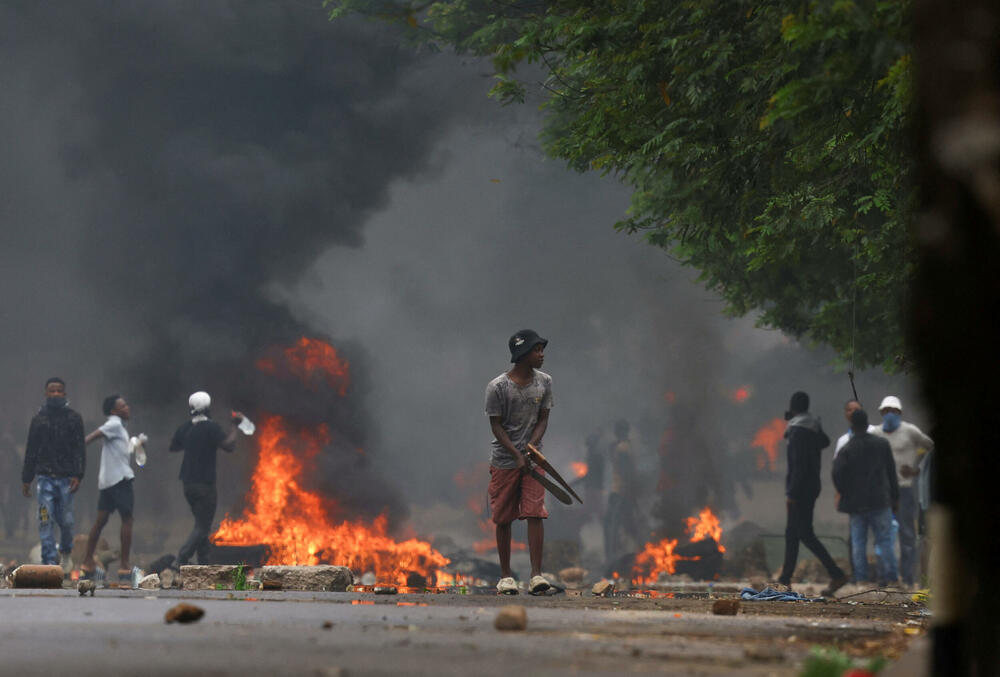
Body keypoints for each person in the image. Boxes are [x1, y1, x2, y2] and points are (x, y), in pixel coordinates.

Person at [485, 329, 553, 595]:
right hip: (504, 460)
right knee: (504, 517)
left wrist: (530, 448)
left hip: (534, 460)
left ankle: (537, 576)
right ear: (523, 355)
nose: (542, 355)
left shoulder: (545, 382)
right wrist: (515, 454)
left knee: (535, 513)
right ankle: (506, 577)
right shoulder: (498, 387)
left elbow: (544, 418)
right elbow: (496, 425)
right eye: (537, 350)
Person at [776, 391, 848, 595]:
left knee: (802, 533)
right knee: (796, 533)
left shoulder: (798, 431)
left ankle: (835, 574)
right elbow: (823, 441)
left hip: (799, 489)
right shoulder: (812, 426)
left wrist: (791, 492)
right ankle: (785, 579)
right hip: (811, 487)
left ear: (793, 408)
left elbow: (799, 464)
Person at [169, 391, 244, 566]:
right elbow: (229, 445)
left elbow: (173, 446)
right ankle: (181, 558)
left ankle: (204, 562)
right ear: (208, 408)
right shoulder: (211, 428)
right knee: (203, 526)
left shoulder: (186, 428)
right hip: (205, 485)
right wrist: (235, 426)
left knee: (200, 525)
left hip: (188, 485)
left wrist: (192, 443)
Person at [21, 377, 86, 566]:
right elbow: (31, 450)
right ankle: (49, 560)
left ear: (64, 393)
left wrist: (78, 474)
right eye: (52, 391)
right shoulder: (39, 420)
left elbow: (79, 449)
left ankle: (65, 551)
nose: (56, 394)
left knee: (66, 520)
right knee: (44, 519)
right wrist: (27, 478)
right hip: (44, 479)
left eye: (59, 391)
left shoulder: (74, 419)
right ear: (46, 394)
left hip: (66, 478)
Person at [872, 395, 933, 588]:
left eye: (894, 411)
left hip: (904, 489)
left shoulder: (910, 431)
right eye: (886, 411)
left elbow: (930, 447)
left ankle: (907, 577)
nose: (890, 414)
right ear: (881, 413)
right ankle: (885, 576)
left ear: (899, 413)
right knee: (883, 534)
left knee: (907, 534)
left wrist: (916, 469)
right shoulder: (876, 433)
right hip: (883, 491)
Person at [833, 409, 900, 586]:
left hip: (856, 504)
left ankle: (862, 579)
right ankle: (890, 578)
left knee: (858, 543)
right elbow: (891, 473)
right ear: (867, 423)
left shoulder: (847, 448)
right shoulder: (882, 444)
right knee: (885, 540)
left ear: (852, 426)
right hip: (880, 501)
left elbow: (837, 473)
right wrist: (895, 498)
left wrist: (844, 491)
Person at [80, 395, 138, 581]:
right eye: (123, 405)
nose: (127, 407)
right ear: (113, 411)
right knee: (127, 519)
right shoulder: (114, 424)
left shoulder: (119, 426)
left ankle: (87, 562)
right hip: (120, 480)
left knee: (100, 521)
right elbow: (92, 437)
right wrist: (78, 447)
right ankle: (124, 565)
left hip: (108, 481)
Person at [603, 419, 643, 572]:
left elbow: (629, 473)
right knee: (628, 526)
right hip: (621, 492)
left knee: (612, 526)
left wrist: (629, 494)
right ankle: (644, 553)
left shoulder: (623, 448)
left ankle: (611, 562)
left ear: (618, 432)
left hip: (621, 493)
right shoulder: (624, 446)